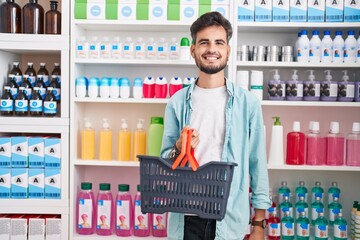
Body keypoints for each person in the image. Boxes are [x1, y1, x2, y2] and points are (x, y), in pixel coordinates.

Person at [160, 11, 271, 240]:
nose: (211, 49)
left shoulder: (247, 103)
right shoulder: (177, 102)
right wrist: (179, 148)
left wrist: (258, 223)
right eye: (204, 42)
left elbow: (257, 162)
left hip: (228, 218)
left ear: (228, 50)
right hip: (186, 217)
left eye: (219, 42)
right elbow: (165, 161)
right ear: (193, 50)